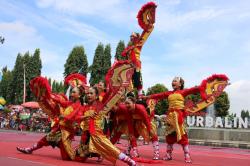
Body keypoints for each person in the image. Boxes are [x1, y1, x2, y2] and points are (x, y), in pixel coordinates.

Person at [143, 77, 202, 163]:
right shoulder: (169, 93)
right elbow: (159, 95)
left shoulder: (183, 92)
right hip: (170, 117)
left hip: (179, 116)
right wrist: (148, 97)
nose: (173, 82)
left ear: (180, 84)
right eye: (172, 81)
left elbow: (194, 89)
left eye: (175, 81)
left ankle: (187, 155)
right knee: (169, 135)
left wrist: (203, 86)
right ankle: (168, 154)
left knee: (182, 135)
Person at [74, 87, 137, 166]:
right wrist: (86, 116)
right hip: (85, 137)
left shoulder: (100, 105)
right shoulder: (84, 107)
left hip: (97, 134)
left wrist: (113, 86)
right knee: (77, 157)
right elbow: (77, 118)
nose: (88, 95)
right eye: (87, 94)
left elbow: (108, 95)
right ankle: (96, 153)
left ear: (97, 96)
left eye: (91, 93)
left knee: (110, 148)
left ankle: (130, 161)